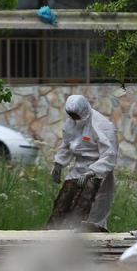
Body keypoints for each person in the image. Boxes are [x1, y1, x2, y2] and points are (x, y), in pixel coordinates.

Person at [51, 94, 118, 231]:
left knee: (86, 207)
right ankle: (52, 233)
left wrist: (92, 172)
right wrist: (58, 164)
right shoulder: (71, 123)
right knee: (63, 202)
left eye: (76, 115)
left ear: (83, 111)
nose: (74, 119)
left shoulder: (103, 126)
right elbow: (66, 144)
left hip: (99, 173)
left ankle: (82, 237)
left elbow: (109, 156)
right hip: (78, 169)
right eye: (71, 115)